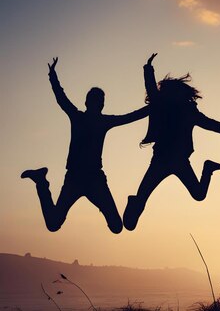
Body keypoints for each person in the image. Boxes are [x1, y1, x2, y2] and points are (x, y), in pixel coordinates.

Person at [123, 54, 220, 231]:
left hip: (180, 162)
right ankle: (135, 204)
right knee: (142, 196)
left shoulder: (189, 112)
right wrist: (148, 67)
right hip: (160, 159)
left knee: (199, 195)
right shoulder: (162, 105)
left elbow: (210, 124)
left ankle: (208, 168)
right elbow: (151, 90)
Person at [21, 57, 149, 233]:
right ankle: (41, 181)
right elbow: (61, 99)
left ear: (101, 105)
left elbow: (131, 116)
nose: (96, 103)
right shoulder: (78, 117)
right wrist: (52, 76)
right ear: (88, 102)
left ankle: (133, 202)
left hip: (95, 179)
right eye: (94, 99)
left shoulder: (102, 121)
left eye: (99, 100)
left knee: (117, 227)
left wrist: (154, 106)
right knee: (53, 224)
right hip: (74, 178)